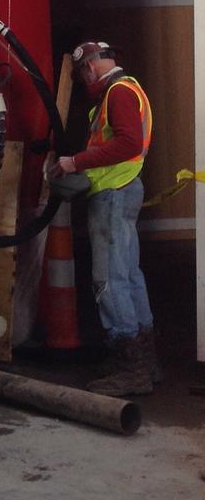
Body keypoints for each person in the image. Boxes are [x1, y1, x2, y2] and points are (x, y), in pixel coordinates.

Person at [51, 40, 158, 395]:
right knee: (128, 275)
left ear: (88, 68)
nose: (84, 84)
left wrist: (74, 162)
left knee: (109, 280)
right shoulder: (130, 88)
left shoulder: (117, 94)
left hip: (113, 194)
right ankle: (145, 361)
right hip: (125, 189)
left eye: (83, 76)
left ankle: (131, 368)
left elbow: (127, 143)